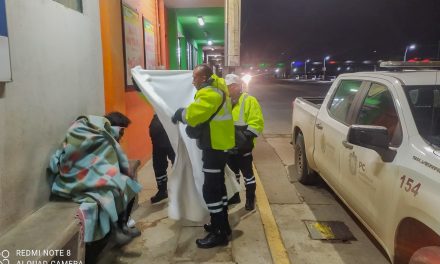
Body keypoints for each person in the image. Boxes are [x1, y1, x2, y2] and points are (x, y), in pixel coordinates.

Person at [49, 112, 142, 248]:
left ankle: (123, 227)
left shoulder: (99, 132)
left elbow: (103, 162)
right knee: (112, 189)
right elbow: (91, 160)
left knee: (130, 185)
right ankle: (116, 232)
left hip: (87, 175)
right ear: (116, 128)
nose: (121, 137)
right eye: (121, 132)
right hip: (74, 180)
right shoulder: (96, 133)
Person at [171, 64, 235, 248]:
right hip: (219, 145)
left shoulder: (211, 94)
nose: (193, 81)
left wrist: (179, 113)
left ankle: (219, 234)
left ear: (205, 78)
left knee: (211, 190)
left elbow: (193, 115)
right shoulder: (218, 88)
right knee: (219, 187)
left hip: (215, 147)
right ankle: (222, 225)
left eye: (195, 78)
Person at [225, 74, 264, 211]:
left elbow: (257, 121)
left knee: (248, 175)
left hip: (243, 145)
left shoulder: (249, 100)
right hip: (229, 145)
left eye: (229, 86)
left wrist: (246, 137)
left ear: (236, 86)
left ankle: (250, 199)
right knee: (233, 174)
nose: (227, 89)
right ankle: (235, 196)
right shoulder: (225, 101)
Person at [149, 113, 175, 203]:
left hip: (171, 132)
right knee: (158, 165)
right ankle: (162, 191)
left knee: (177, 164)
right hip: (157, 137)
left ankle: (183, 191)